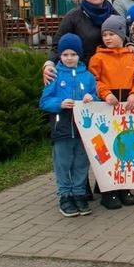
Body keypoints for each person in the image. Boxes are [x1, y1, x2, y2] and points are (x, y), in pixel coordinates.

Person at [39, 34, 99, 217]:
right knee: (63, 163)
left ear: (79, 55)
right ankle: (65, 195)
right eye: (65, 54)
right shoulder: (55, 76)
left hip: (83, 129)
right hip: (62, 128)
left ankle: (79, 193)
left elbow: (96, 97)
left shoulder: (88, 77)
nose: (69, 58)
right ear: (60, 56)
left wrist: (91, 99)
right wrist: (59, 103)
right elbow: (44, 101)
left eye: (73, 54)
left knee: (81, 162)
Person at [88, 15, 134, 210]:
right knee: (108, 150)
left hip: (127, 107)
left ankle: (124, 187)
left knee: (125, 148)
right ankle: (107, 190)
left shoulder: (131, 56)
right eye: (105, 34)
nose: (108, 38)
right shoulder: (98, 57)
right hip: (107, 107)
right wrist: (105, 93)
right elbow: (94, 80)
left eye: (112, 34)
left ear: (121, 35)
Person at [43, 0, 117, 85]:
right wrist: (49, 64)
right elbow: (57, 45)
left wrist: (132, 46)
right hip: (82, 76)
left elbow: (124, 39)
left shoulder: (115, 15)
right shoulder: (73, 16)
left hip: (111, 75)